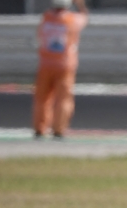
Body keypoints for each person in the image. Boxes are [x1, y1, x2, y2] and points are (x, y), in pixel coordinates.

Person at [33, 0, 88, 139]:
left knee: (42, 98)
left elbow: (39, 34)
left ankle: (40, 128)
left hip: (45, 63)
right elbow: (84, 17)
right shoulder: (72, 19)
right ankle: (59, 129)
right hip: (65, 64)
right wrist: (80, 4)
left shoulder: (46, 17)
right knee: (63, 99)